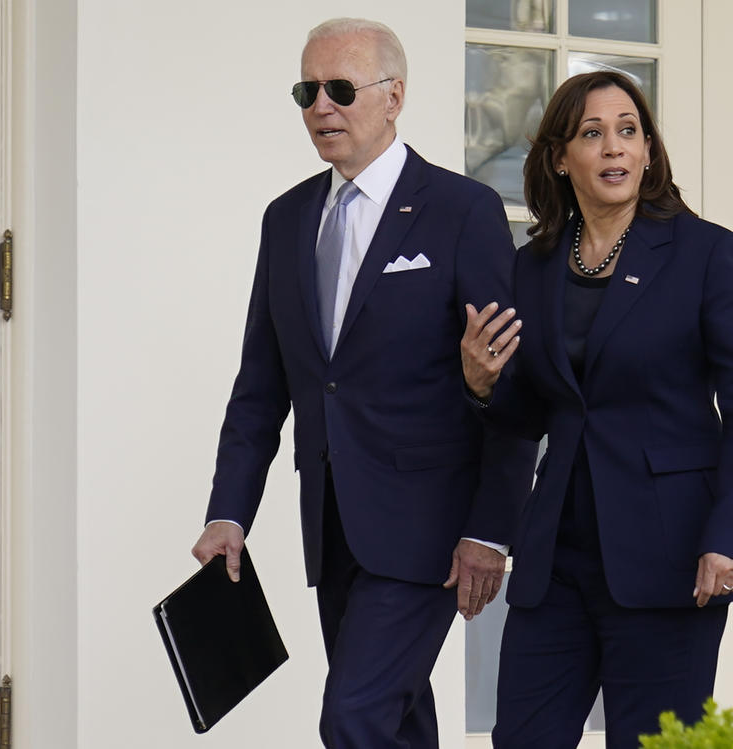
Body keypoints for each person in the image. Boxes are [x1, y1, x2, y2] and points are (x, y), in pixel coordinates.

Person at [191, 18, 536, 749]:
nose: (322, 107)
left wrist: (489, 530)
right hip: (333, 525)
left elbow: (511, 384)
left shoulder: (461, 211)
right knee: (395, 725)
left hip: (429, 531)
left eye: (341, 89)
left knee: (352, 718)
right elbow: (260, 387)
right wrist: (229, 512)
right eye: (307, 91)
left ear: (394, 96)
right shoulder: (285, 221)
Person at [461, 70, 733, 747]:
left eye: (628, 132)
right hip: (558, 563)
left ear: (649, 152)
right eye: (593, 133)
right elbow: (524, 416)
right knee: (521, 736)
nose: (614, 148)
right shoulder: (534, 266)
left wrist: (729, 531)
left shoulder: (705, 253)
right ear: (559, 157)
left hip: (671, 559)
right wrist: (483, 382)